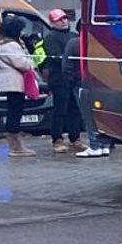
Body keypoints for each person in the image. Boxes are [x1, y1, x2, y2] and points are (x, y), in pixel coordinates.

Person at [0, 13, 40, 157]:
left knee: (14, 111)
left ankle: (15, 144)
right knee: (15, 112)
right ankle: (16, 146)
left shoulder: (0, 44)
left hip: (9, 80)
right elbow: (22, 63)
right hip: (14, 81)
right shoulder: (10, 45)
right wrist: (30, 61)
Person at [41, 9, 81, 154]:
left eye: (64, 18)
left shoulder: (74, 36)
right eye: (59, 20)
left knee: (74, 108)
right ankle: (57, 139)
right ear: (52, 23)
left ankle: (75, 138)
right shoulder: (50, 38)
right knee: (60, 109)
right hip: (59, 78)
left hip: (74, 77)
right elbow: (56, 57)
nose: (63, 21)